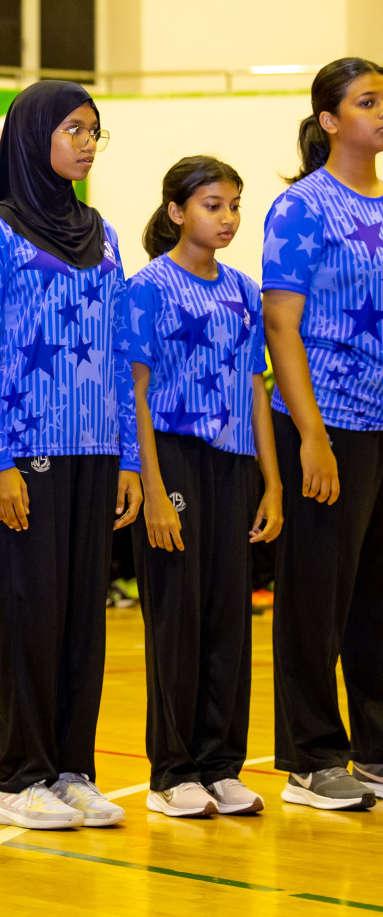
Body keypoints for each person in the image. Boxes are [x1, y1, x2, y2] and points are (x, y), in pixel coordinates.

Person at [0, 80, 142, 830]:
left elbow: (123, 347)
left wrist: (130, 456)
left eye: (95, 131)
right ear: (33, 134)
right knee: (32, 615)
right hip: (29, 452)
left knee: (81, 617)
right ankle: (17, 778)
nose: (86, 142)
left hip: (96, 449)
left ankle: (71, 768)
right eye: (72, 128)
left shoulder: (102, 231)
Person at [124, 155, 281, 818]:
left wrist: (271, 483)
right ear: (176, 211)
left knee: (226, 618)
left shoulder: (246, 291)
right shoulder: (147, 289)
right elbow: (132, 391)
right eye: (213, 205)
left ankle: (221, 764)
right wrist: (153, 489)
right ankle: (173, 771)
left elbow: (253, 390)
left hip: (233, 465)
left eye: (235, 205)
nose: (227, 218)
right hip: (174, 459)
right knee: (178, 617)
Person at [262, 55, 383, 810]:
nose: (382, 112)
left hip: (382, 420)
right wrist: (310, 434)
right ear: (331, 121)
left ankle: (374, 747)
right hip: (328, 420)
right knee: (317, 594)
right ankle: (312, 755)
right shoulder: (304, 208)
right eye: (369, 101)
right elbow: (281, 323)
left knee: (376, 595)